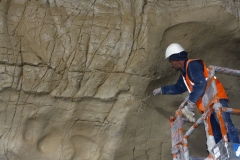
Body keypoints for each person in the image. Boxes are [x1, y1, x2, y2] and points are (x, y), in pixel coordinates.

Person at [152, 43, 239, 144]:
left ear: (176, 60)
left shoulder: (193, 65)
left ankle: (236, 152)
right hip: (208, 105)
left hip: (215, 98)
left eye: (171, 61)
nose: (171, 65)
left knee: (225, 125)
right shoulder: (185, 73)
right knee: (216, 133)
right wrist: (161, 90)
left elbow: (200, 84)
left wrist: (190, 103)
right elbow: (178, 88)